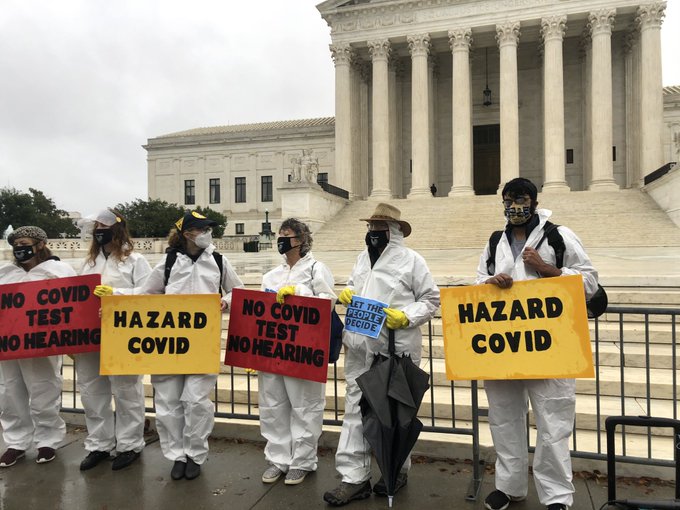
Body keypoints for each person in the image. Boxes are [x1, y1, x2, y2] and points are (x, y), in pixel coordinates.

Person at [475, 177, 599, 510]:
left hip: (551, 345)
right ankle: (508, 486)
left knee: (553, 421)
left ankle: (557, 495)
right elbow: (476, 284)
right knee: (503, 417)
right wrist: (490, 282)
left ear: (533, 200)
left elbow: (589, 280)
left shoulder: (558, 236)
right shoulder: (494, 242)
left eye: (522, 198)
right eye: (509, 199)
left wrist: (546, 268)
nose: (516, 204)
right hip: (505, 346)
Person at [323, 203, 440, 506]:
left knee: (396, 415)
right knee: (354, 413)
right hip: (361, 349)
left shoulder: (412, 261)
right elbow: (354, 287)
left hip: (396, 350)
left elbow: (430, 299)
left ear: (394, 231)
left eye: (380, 227)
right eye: (370, 227)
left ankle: (396, 470)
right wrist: (347, 293)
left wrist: (406, 317)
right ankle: (354, 478)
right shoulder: (362, 259)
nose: (373, 232)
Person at [138, 210, 244, 481]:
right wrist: (114, 303)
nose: (208, 233)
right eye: (203, 229)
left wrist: (225, 302)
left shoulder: (218, 260)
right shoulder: (169, 261)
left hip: (202, 343)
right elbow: (145, 295)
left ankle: (195, 454)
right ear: (187, 234)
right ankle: (177, 455)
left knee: (196, 401)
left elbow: (236, 290)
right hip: (168, 344)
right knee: (168, 402)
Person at [259, 218, 337, 486]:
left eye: (287, 235)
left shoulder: (316, 270)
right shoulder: (270, 276)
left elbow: (328, 302)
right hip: (274, 350)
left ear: (301, 240)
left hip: (304, 350)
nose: (281, 239)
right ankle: (278, 458)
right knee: (274, 405)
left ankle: (303, 460)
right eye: (280, 235)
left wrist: (301, 292)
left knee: (305, 406)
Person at [75, 209, 151, 471]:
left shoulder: (135, 260)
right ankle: (99, 444)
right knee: (92, 392)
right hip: (91, 336)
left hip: (123, 335)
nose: (98, 229)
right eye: (95, 225)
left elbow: (148, 293)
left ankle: (129, 444)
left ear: (117, 229)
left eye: (103, 225)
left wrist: (116, 294)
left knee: (127, 391)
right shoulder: (89, 262)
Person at [0, 226, 73, 467]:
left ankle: (47, 440)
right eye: (16, 243)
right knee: (9, 393)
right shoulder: (5, 273)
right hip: (9, 344)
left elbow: (74, 301)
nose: (19, 247)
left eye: (24, 242)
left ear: (40, 244)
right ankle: (16, 443)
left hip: (42, 343)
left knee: (44, 391)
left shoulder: (58, 271)